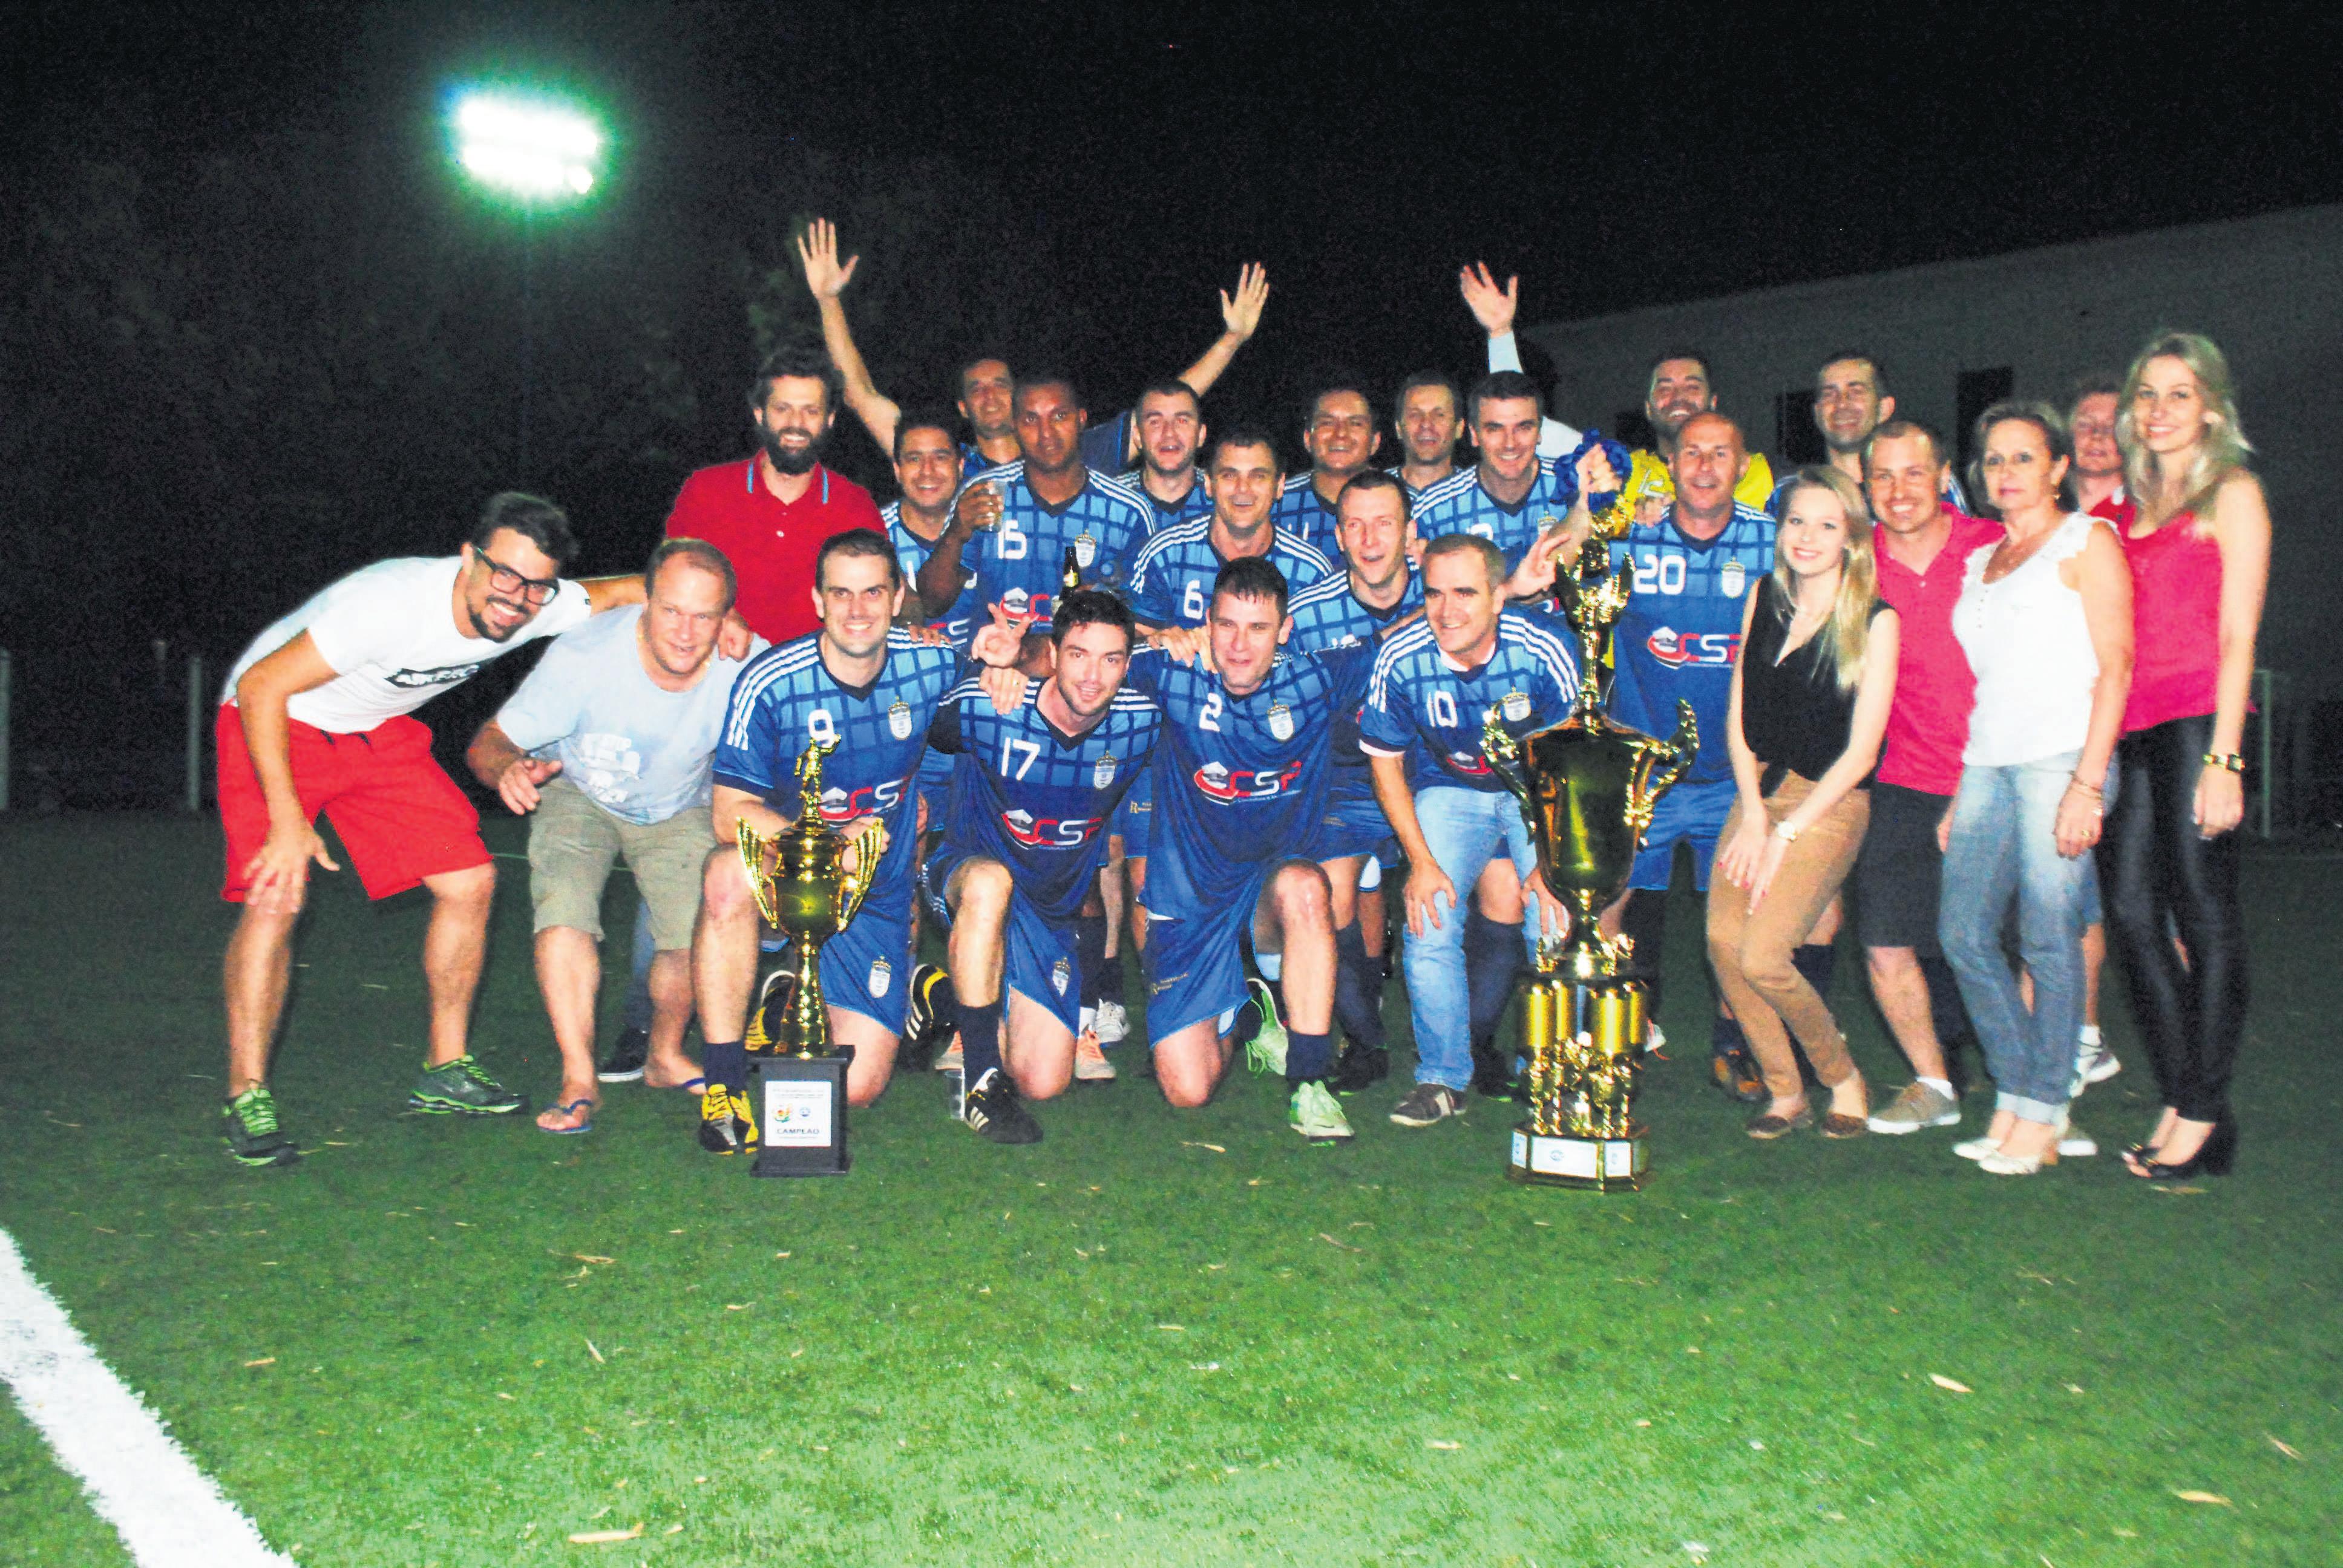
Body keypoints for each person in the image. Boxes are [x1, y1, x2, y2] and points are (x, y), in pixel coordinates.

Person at [214, 494, 650, 1167]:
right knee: (278, 892)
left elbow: (630, 589)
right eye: (503, 574)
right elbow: (262, 686)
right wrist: (288, 821)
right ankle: (246, 1094)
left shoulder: (538, 602)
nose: (516, 598)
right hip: (275, 718)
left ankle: (445, 1070)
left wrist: (724, 612)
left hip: (374, 731)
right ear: (468, 557)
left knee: (470, 881)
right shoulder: (387, 605)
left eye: (536, 585)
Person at [692, 531, 1020, 1154]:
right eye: (840, 593)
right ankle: (725, 1088)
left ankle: (796, 997)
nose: (857, 609)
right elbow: (729, 812)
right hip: (788, 873)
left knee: (857, 1087)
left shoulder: (928, 662)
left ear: (897, 599)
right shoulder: (772, 681)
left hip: (875, 892)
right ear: (818, 600)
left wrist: (1006, 664)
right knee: (726, 872)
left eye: (873, 592)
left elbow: (1010, 681)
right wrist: (822, 844)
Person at [465, 540, 763, 1134]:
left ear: (726, 617)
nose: (686, 633)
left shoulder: (748, 663)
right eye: (672, 611)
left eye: (704, 616)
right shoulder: (585, 654)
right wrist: (507, 770)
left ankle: (664, 1054)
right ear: (645, 601)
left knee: (695, 933)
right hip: (576, 790)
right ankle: (579, 1079)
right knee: (564, 914)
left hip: (679, 802)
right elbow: (489, 742)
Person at [1940, 405, 2133, 1176]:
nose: (2005, 472)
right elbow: (1985, 684)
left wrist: (2087, 784)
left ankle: (2043, 1113)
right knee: (1961, 934)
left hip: (2062, 760)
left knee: (2048, 940)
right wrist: (1959, 791)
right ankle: (2019, 1092)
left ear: (2056, 467)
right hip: (1986, 764)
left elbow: (2116, 666)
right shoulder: (1980, 561)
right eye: (1992, 460)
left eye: (2023, 457)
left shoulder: (2088, 541)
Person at [1127, 556, 1373, 1140]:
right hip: (1190, 900)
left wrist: (1509, 587)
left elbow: (1416, 637)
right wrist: (1147, 640)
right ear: (1207, 623)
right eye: (1227, 625)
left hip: (1268, 891)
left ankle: (1309, 1083)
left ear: (1285, 631)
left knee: (1306, 886)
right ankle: (1247, 1013)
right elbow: (1076, 659)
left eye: (1258, 628)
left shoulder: (1313, 679)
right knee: (1187, 1091)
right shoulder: (1172, 672)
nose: (1239, 646)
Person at [2100, 334, 2267, 1179]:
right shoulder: (2129, 506)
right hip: (2132, 727)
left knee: (2204, 916)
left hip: (2201, 722)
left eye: (2179, 394)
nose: (2159, 410)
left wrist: (2225, 760)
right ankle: (2189, 1096)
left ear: (2210, 408)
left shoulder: (2231, 492)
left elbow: (2239, 634)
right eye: (2147, 394)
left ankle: (2198, 1112)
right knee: (2131, 914)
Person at [923, 592, 1161, 1142]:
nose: (1093, 677)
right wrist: (982, 665)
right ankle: (983, 1085)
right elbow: (927, 726)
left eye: (1110, 659)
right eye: (1078, 655)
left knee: (1044, 1081)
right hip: (967, 880)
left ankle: (939, 995)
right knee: (991, 883)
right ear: (1051, 655)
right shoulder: (996, 703)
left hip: (1050, 916)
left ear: (1128, 664)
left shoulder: (1142, 723)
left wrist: (1192, 641)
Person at [1362, 534, 1584, 1126]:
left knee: (1552, 917)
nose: (1446, 610)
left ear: (1498, 597)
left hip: (1534, 791)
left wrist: (1551, 861)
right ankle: (1442, 1077)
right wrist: (1420, 862)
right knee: (1427, 917)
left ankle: (1558, 1074)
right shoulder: (1403, 655)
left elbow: (1573, 760)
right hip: (1450, 786)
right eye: (1433, 593)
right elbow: (1384, 764)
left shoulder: (1542, 647)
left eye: (1464, 593)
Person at [1708, 468, 1899, 1139]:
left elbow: (1862, 754)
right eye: (1795, 521)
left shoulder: (1875, 622)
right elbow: (1738, 713)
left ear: (1851, 537)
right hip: (1760, 791)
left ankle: (1841, 1077)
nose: (1807, 536)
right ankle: (1785, 1092)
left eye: (1826, 524)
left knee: (1764, 955)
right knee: (1722, 942)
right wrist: (1753, 814)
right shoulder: (1764, 596)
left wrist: (1785, 832)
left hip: (1829, 803)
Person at [1598, 413, 1784, 1086]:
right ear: (1670, 464)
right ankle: (1607, 1042)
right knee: (1604, 903)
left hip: (1736, 778)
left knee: (1737, 926)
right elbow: (1555, 569)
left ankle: (1735, 1044)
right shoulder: (1630, 540)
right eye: (1692, 453)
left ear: (1743, 466)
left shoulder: (1773, 544)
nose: (1705, 467)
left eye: (1720, 454)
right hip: (1644, 773)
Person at [796, 216, 1269, 474]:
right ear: (962, 408)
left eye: (1000, 385)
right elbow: (860, 395)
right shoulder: (942, 465)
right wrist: (828, 302)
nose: (989, 395)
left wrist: (1231, 340)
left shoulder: (1076, 454)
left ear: (1020, 397)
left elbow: (1167, 410)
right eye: (976, 389)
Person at [1853, 420, 1999, 1134]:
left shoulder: (1993, 547)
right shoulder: (1855, 561)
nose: (1898, 490)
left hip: (1998, 772)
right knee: (1884, 941)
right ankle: (1932, 1082)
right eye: (1882, 476)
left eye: (1913, 473)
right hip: (1903, 777)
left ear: (1943, 476)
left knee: (2013, 943)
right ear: (1864, 485)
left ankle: (2031, 1091)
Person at [1287, 471, 1424, 1091]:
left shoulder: (1445, 594)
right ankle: (1367, 1041)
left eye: (1384, 524)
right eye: (1355, 525)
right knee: (1330, 893)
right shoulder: (1307, 612)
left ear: (1410, 533)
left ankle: (1476, 1045)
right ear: (1339, 536)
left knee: (1484, 887)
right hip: (1344, 779)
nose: (1369, 539)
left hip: (1429, 774)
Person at [660, 342, 885, 645]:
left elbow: (885, 593)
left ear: (830, 419)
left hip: (816, 671)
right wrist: (724, 614)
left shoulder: (855, 506)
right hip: (721, 663)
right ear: (760, 414)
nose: (796, 424)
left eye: (811, 411)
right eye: (782, 409)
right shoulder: (706, 492)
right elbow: (668, 582)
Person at [917, 373, 1153, 655]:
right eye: (1031, 420)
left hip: (1086, 670)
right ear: (1015, 427)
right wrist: (956, 534)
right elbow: (932, 604)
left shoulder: (1127, 511)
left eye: (1059, 416)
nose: (1046, 433)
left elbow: (1147, 624)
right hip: (995, 668)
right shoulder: (986, 494)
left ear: (1081, 420)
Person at [1413, 371, 1606, 578]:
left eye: (1523, 428)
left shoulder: (1576, 486)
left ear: (1540, 432)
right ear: (1474, 434)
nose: (1510, 444)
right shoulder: (1434, 511)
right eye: (1495, 429)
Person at [1780, 353, 1967, 512]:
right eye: (1829, 394)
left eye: (1856, 392)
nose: (1842, 404)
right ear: (1817, 412)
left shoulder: (1930, 485)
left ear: (1885, 409)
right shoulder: (1790, 492)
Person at [1271, 380, 1384, 557]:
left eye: (1355, 423)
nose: (1341, 434)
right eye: (1327, 423)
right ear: (1308, 439)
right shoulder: (1276, 503)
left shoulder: (1404, 503)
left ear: (1375, 441)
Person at [1106, 379, 1218, 535]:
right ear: (1137, 436)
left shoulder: (1223, 498)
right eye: (1155, 422)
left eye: (1182, 421)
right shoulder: (1109, 502)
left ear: (1201, 435)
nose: (1169, 433)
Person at [1391, 371, 1466, 498]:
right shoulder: (1372, 492)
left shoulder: (1480, 494)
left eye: (1439, 415)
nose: (1426, 424)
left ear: (1459, 428)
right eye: (1415, 415)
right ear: (1398, 428)